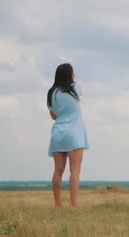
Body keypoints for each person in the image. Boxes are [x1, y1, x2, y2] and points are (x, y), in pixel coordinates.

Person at [47, 63, 90, 209]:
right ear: (70, 74)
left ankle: (57, 204)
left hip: (58, 133)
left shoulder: (51, 93)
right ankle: (73, 205)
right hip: (74, 133)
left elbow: (53, 116)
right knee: (75, 170)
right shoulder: (75, 89)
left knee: (58, 170)